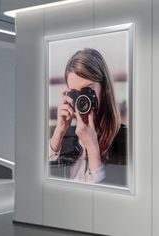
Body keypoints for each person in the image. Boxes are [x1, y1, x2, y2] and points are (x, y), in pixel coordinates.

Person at [49, 48, 127, 185]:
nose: (81, 99)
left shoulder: (126, 140)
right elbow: (45, 190)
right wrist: (58, 134)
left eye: (87, 90)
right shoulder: (66, 138)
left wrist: (92, 147)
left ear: (104, 90)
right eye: (75, 92)